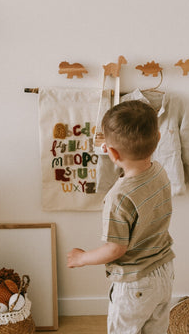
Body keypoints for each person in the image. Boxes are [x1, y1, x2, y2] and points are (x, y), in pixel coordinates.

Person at [67, 100, 175, 334]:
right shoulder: (159, 172)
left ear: (110, 152)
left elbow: (116, 249)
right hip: (164, 271)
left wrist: (82, 258)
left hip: (135, 282)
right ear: (157, 137)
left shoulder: (119, 197)